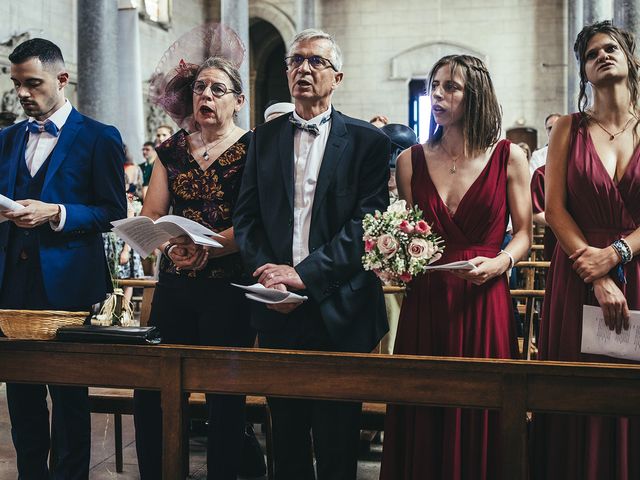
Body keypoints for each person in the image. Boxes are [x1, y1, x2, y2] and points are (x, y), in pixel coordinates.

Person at [233, 28, 390, 479]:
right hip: (278, 308)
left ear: (337, 77)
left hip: (341, 307)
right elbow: (247, 218)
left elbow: (366, 226)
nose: (303, 68)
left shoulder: (367, 142)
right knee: (285, 437)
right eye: (295, 61)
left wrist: (304, 273)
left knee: (338, 441)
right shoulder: (262, 139)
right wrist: (268, 274)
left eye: (315, 61)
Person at [381, 54, 531, 480]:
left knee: (481, 406)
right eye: (435, 86)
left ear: (475, 94)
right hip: (428, 299)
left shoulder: (509, 157)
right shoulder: (411, 159)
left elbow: (524, 234)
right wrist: (395, 259)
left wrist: (501, 262)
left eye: (452, 87)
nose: (438, 95)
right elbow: (411, 235)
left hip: (484, 300)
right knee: (424, 404)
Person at [0, 38, 126, 479]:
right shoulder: (7, 138)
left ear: (62, 78)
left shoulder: (99, 137)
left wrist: (57, 212)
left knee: (70, 396)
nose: (21, 93)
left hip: (71, 286)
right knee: (21, 394)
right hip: (13, 284)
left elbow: (113, 211)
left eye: (32, 83)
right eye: (16, 83)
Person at [133, 54, 255, 480]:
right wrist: (170, 249)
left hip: (230, 287)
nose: (205, 95)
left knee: (225, 398)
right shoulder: (170, 151)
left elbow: (258, 220)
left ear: (238, 100)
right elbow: (152, 214)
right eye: (200, 87)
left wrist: (213, 248)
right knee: (153, 391)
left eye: (217, 89)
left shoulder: (254, 148)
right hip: (177, 285)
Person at [534, 21, 640, 480]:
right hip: (577, 273)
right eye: (591, 53)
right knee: (577, 391)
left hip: (636, 266)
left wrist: (616, 253)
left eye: (611, 47)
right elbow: (554, 210)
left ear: (630, 58)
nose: (602, 55)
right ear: (584, 72)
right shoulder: (568, 128)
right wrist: (596, 273)